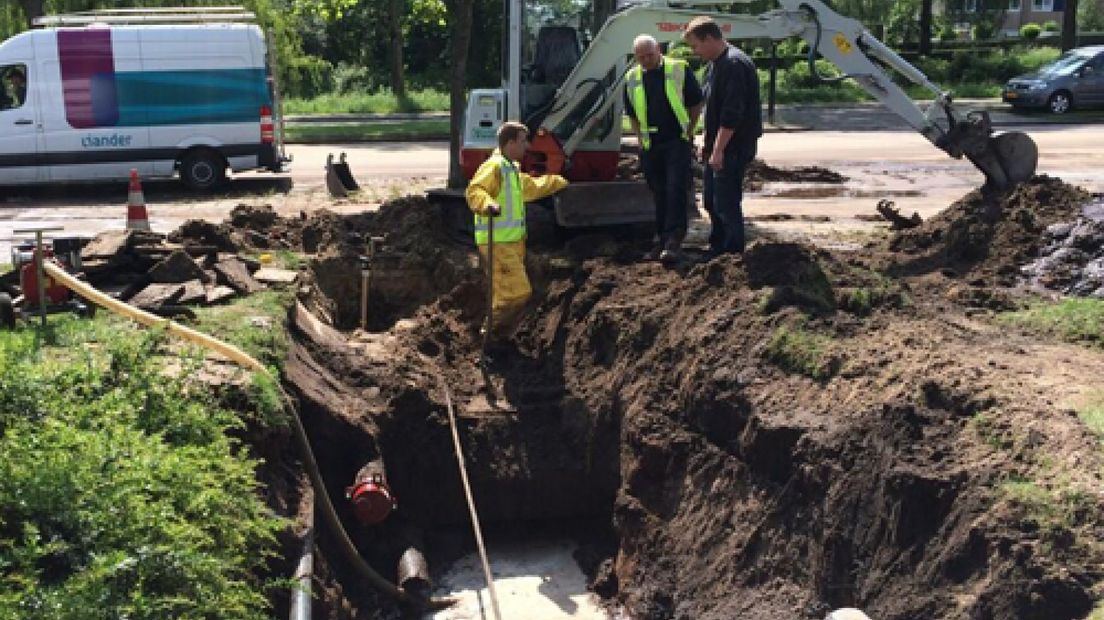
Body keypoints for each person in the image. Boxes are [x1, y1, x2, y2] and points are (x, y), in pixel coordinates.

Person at [465, 121, 568, 348]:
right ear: (510, 143)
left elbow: (532, 187)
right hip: (497, 243)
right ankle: (489, 335)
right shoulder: (494, 166)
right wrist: (488, 205)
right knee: (516, 293)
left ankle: (498, 337)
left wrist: (559, 182)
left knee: (512, 294)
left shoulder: (511, 169)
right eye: (523, 141)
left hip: (512, 243)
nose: (527, 146)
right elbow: (475, 191)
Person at [684, 16, 762, 256]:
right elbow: (713, 109)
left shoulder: (734, 64)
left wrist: (718, 150)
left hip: (733, 147)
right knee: (711, 200)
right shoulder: (715, 65)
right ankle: (717, 247)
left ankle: (732, 252)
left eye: (696, 45)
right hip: (717, 146)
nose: (695, 51)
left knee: (726, 203)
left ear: (709, 38)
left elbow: (732, 114)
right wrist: (707, 142)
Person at [624, 35, 703, 264]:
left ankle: (674, 240)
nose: (646, 60)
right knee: (658, 192)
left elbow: (695, 103)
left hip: (676, 140)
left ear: (658, 49)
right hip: (651, 145)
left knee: (675, 190)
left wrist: (688, 132)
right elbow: (632, 114)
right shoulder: (632, 77)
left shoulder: (678, 69)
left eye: (649, 55)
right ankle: (661, 237)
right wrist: (640, 139)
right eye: (641, 57)